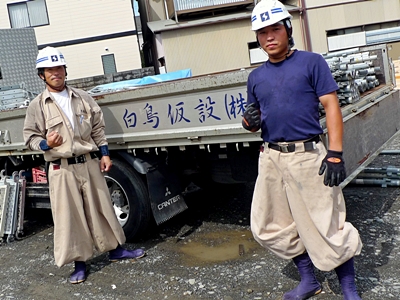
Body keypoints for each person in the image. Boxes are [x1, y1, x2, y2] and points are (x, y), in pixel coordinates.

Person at [242, 1, 363, 299]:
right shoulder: (255, 78)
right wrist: (248, 122)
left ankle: (349, 289)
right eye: (262, 32)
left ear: (287, 30)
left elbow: (331, 106)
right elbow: (253, 119)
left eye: (275, 29)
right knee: (270, 225)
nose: (269, 37)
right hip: (271, 158)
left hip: (308, 156)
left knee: (327, 223)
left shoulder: (311, 62)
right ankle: (309, 280)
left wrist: (335, 153)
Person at [23, 47, 145, 284]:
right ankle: (80, 264)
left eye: (59, 68)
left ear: (65, 70)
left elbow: (98, 128)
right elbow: (29, 138)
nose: (56, 73)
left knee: (102, 208)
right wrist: (46, 144)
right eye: (50, 70)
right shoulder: (37, 106)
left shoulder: (83, 98)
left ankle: (115, 250)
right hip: (61, 168)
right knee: (71, 216)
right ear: (41, 75)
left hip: (88, 162)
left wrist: (105, 154)